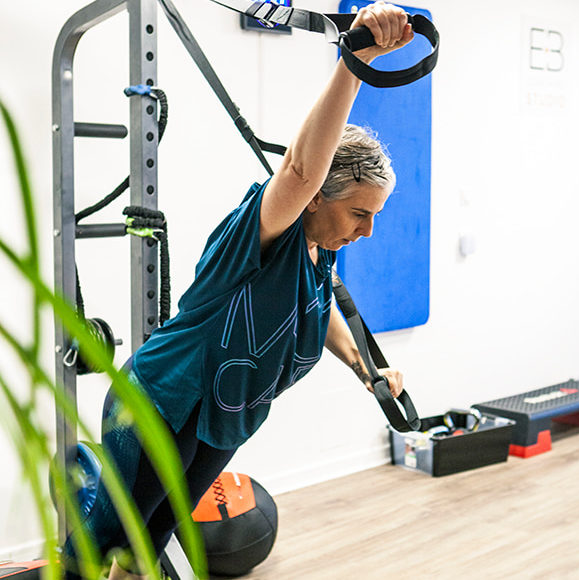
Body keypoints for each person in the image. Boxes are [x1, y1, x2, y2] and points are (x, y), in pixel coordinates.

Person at [63, 2, 414, 578]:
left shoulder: (318, 251)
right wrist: (357, 62)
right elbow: (301, 169)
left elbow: (315, 308)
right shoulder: (265, 230)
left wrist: (363, 365)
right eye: (359, 213)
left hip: (222, 421)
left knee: (150, 539)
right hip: (162, 404)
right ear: (319, 198)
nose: (367, 230)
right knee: (109, 541)